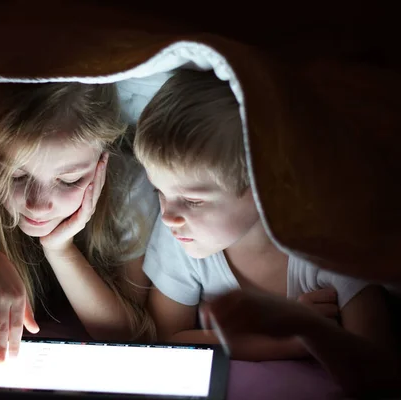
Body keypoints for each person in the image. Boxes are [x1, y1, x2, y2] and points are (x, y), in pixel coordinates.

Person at [132, 69, 398, 394]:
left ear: (264, 188)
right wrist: (286, 343)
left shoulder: (331, 246)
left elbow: (376, 378)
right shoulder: (180, 236)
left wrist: (311, 332)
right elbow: (166, 341)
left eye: (192, 200)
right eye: (159, 191)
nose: (168, 214)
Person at [0, 82, 158, 362]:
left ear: (103, 161)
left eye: (69, 180)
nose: (37, 204)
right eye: (17, 176)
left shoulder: (130, 191)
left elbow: (131, 337)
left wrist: (60, 250)